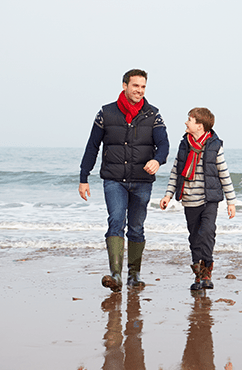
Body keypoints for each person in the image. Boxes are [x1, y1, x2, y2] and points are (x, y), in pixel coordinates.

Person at [79, 69, 169, 292]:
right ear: (124, 86)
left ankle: (134, 275)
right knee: (116, 221)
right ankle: (116, 275)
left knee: (137, 227)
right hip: (114, 180)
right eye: (135, 86)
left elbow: (164, 144)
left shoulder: (153, 114)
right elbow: (92, 146)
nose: (139, 90)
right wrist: (84, 177)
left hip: (142, 180)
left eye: (143, 87)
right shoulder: (106, 113)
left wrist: (158, 160)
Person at [160, 107, 236, 290]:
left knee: (207, 233)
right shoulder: (184, 145)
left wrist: (231, 202)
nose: (186, 122)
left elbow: (224, 174)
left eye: (190, 120)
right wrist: (168, 195)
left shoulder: (214, 146)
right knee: (194, 237)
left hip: (209, 199)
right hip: (189, 199)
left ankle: (207, 272)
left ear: (200, 126)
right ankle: (197, 276)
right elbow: (176, 171)